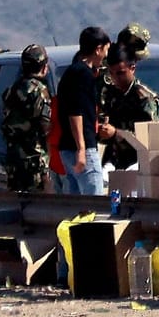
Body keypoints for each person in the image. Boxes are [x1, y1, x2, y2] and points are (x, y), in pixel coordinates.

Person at [56, 26, 111, 195]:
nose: (106, 56)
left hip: (66, 148)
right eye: (106, 50)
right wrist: (81, 149)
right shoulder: (83, 74)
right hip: (82, 149)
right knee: (93, 201)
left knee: (75, 204)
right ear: (98, 49)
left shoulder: (70, 73)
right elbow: (75, 112)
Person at [97, 43, 159, 172]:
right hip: (113, 163)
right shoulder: (110, 95)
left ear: (132, 68)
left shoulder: (144, 98)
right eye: (112, 73)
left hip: (138, 164)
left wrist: (115, 134)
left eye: (121, 73)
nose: (115, 78)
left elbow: (150, 138)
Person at [1, 45, 53, 193]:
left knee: (16, 205)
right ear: (44, 67)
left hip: (14, 159)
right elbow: (46, 127)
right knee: (38, 208)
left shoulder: (12, 90)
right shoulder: (40, 91)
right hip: (35, 161)